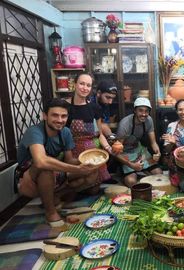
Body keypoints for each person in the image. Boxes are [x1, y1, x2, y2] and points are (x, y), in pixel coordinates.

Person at [16, 98, 98, 228]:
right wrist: (77, 169)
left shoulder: (65, 132)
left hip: (55, 174)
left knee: (93, 171)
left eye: (63, 116)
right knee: (45, 168)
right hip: (27, 180)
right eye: (55, 115)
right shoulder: (34, 131)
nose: (60, 120)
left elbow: (69, 160)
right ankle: (50, 212)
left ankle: (53, 197)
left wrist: (89, 160)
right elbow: (40, 161)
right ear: (45, 115)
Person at [66, 72, 112, 187]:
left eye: (88, 85)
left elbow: (100, 134)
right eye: (82, 84)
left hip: (93, 154)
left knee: (93, 189)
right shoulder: (64, 106)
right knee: (76, 183)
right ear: (75, 84)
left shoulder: (94, 108)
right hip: (72, 151)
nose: (85, 88)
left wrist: (108, 147)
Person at [116, 97, 162, 187]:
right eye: (140, 110)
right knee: (131, 182)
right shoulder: (125, 124)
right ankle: (127, 171)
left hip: (138, 150)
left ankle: (140, 171)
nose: (144, 114)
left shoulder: (149, 120)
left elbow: (153, 143)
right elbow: (116, 152)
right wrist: (132, 165)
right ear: (135, 111)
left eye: (146, 111)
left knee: (159, 174)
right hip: (124, 153)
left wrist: (158, 152)